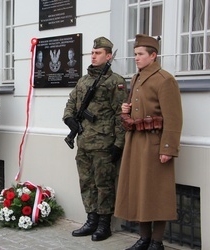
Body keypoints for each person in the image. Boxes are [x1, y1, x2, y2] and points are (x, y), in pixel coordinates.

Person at [115, 34, 183, 250]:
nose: (136, 58)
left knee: (157, 193)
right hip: (135, 142)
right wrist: (125, 110)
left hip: (155, 144)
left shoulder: (165, 80)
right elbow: (134, 106)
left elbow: (174, 118)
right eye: (135, 54)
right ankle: (144, 238)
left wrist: (168, 148)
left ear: (153, 55)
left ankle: (157, 242)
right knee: (139, 190)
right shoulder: (136, 78)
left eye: (140, 54)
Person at [63, 37, 128, 241]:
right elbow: (71, 102)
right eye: (92, 52)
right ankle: (91, 220)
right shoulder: (83, 80)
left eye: (98, 53)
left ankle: (104, 224)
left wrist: (119, 143)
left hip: (104, 143)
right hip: (84, 142)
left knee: (104, 184)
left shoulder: (115, 82)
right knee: (87, 183)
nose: (93, 55)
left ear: (108, 56)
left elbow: (121, 115)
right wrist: (69, 119)